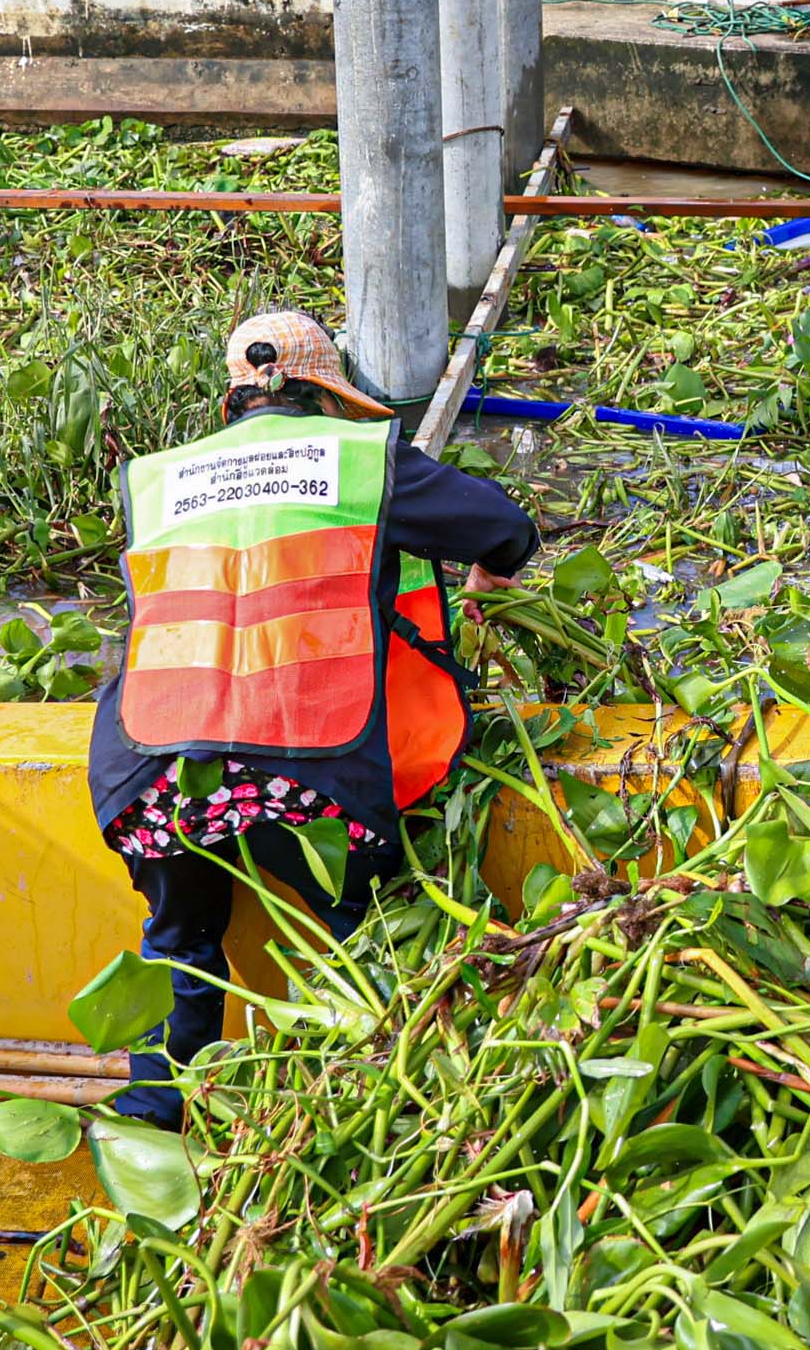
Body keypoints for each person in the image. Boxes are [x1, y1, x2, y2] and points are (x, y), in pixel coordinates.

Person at [89, 310, 538, 1127]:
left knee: (181, 935)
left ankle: (155, 1115)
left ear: (233, 399)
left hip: (153, 772)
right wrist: (489, 575)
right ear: (326, 395)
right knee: (363, 943)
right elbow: (506, 530)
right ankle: (361, 1110)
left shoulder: (160, 476)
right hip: (305, 769)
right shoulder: (362, 459)